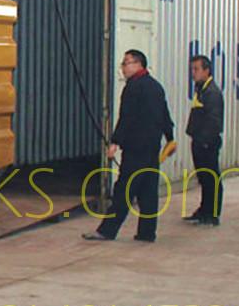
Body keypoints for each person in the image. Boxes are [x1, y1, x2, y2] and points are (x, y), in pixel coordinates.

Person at [84, 49, 175, 243]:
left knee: (123, 190)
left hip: (135, 149)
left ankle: (107, 231)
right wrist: (170, 138)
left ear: (139, 64)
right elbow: (164, 116)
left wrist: (115, 142)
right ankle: (147, 233)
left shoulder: (133, 87)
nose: (123, 68)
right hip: (152, 148)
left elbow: (127, 118)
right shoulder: (156, 87)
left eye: (126, 63)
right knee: (148, 192)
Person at [183, 55, 225, 225]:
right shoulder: (201, 89)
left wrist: (205, 140)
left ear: (206, 71)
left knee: (211, 177)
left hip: (207, 142)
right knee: (204, 177)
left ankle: (212, 214)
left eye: (196, 69)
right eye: (192, 69)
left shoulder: (212, 93)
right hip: (199, 140)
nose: (193, 73)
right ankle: (204, 210)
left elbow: (214, 120)